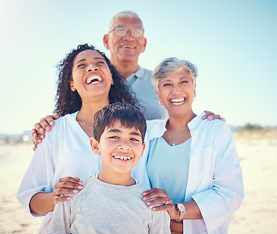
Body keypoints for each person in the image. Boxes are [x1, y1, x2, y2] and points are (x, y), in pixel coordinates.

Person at [31, 11, 224, 147]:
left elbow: (181, 114)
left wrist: (206, 123)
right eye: (120, 30)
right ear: (106, 40)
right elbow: (74, 122)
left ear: (144, 43)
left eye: (137, 32)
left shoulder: (160, 83)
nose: (129, 37)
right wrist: (49, 124)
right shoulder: (88, 83)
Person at [16, 44, 150, 234]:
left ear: (112, 78)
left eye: (99, 63)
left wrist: (210, 119)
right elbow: (30, 198)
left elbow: (182, 126)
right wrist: (55, 198)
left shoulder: (141, 128)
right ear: (71, 84)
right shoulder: (54, 131)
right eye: (82, 65)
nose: (92, 68)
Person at [140, 57, 244, 234]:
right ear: (158, 94)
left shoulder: (215, 130)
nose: (176, 90)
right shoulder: (145, 133)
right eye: (167, 84)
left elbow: (230, 193)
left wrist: (177, 212)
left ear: (194, 88)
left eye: (183, 82)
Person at [47, 102, 172, 234]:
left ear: (142, 149)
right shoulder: (72, 195)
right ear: (95, 146)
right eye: (114, 137)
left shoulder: (154, 204)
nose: (125, 146)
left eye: (133, 138)